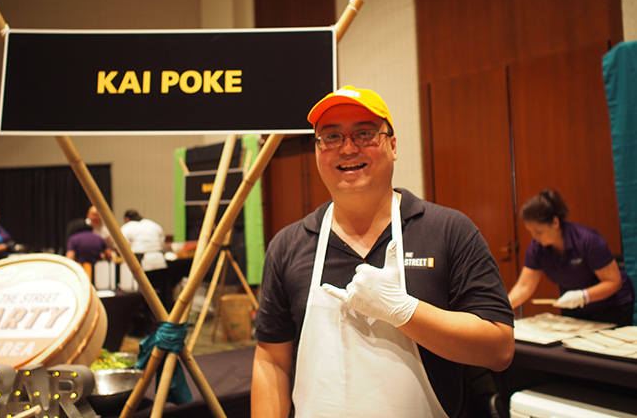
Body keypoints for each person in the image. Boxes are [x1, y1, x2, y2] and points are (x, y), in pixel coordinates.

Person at [251, 86, 515, 418]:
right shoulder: (288, 245)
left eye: (365, 134)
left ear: (393, 145)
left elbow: (498, 350)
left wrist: (404, 311)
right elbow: (271, 360)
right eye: (331, 137)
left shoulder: (449, 231)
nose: (348, 148)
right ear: (317, 151)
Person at [508, 188, 634, 326]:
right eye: (531, 232)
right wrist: (502, 308)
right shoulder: (537, 248)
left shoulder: (587, 240)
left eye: (538, 232)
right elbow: (524, 286)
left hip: (612, 306)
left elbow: (614, 282)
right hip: (575, 308)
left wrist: (583, 296)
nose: (534, 237)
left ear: (555, 223)